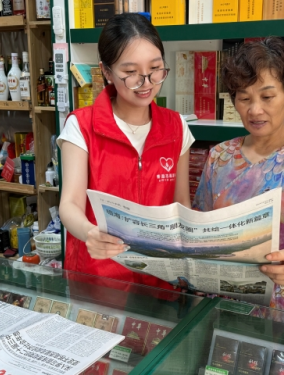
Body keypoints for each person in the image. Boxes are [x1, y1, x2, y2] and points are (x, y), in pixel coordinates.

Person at [193, 37, 284, 318]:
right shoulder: (219, 156)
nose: (255, 110)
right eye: (244, 98)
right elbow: (200, 223)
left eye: (267, 96)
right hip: (224, 299)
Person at [58, 13, 194, 290]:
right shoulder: (81, 126)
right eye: (130, 73)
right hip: (99, 276)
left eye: (156, 68)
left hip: (161, 279)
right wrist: (89, 233)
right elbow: (69, 204)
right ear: (107, 72)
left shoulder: (176, 127)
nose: (146, 83)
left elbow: (181, 204)